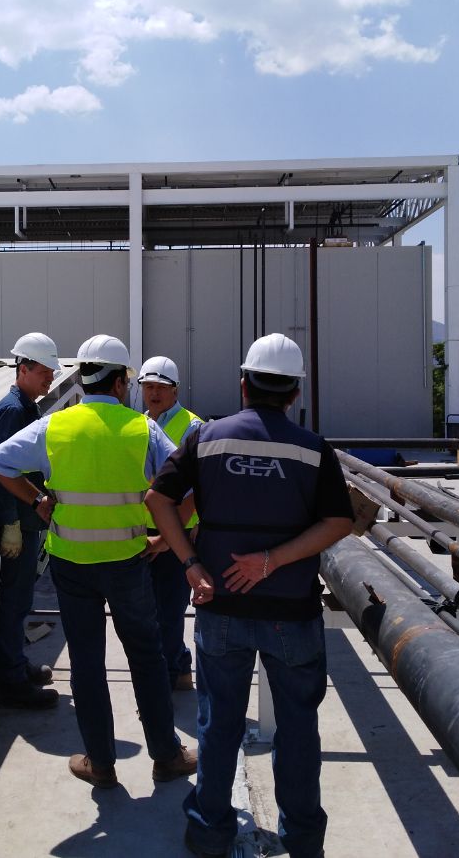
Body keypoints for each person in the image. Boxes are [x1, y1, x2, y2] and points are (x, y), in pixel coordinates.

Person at [145, 334, 354, 858]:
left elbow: (158, 500)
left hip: (221, 608)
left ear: (244, 385)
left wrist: (190, 565)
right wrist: (274, 561)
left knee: (220, 727)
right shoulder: (313, 450)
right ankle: (304, 841)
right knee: (298, 731)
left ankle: (211, 833)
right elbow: (339, 521)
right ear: (294, 393)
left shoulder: (207, 439)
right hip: (292, 612)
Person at [0, 334, 198, 789]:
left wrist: (38, 498)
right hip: (128, 560)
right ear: (122, 382)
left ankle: (100, 763)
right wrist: (164, 540)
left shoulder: (55, 426)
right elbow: (188, 489)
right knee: (146, 655)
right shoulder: (143, 430)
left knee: (86, 662)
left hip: (70, 564)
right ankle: (166, 755)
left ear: (81, 379)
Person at [0, 332, 61, 710]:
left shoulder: (23, 407)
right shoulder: (14, 410)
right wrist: (10, 523)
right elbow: (0, 471)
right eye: (44, 372)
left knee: (20, 598)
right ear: (23, 368)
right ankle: (10, 679)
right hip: (19, 522)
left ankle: (15, 665)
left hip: (26, 519)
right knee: (14, 599)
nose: (50, 379)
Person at [137, 355, 201, 690]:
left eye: (160, 387)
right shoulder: (138, 424)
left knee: (170, 611)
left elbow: (194, 493)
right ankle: (175, 669)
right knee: (149, 612)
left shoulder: (192, 428)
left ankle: (170, 675)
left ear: (175, 391)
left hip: (175, 535)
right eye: (148, 386)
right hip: (143, 534)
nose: (153, 393)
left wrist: (167, 539)